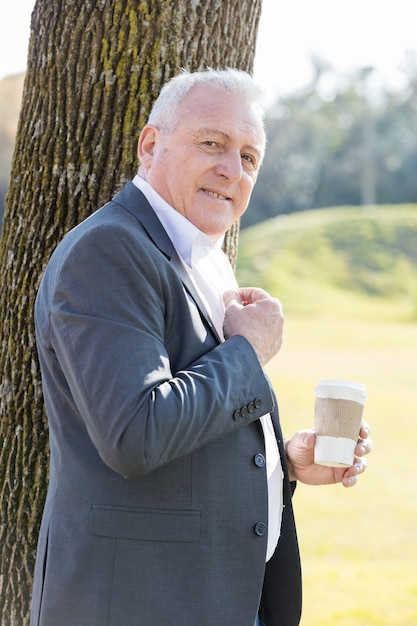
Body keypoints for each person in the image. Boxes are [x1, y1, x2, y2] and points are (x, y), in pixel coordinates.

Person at [31, 68, 372, 626]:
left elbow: (185, 428)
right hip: (143, 603)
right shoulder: (109, 251)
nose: (230, 170)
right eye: (212, 143)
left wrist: (281, 463)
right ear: (150, 145)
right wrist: (248, 351)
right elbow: (136, 435)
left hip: (219, 596)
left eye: (249, 157)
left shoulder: (201, 256)